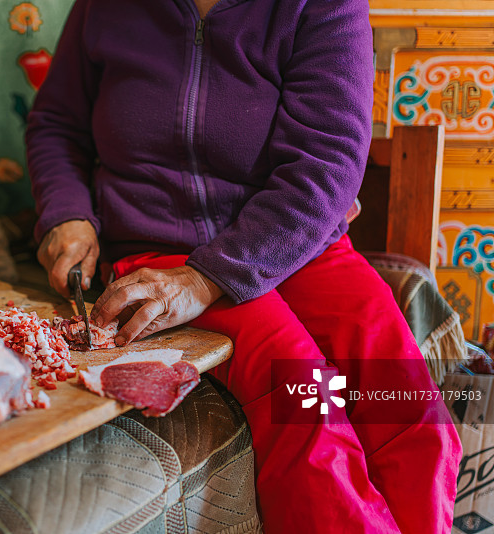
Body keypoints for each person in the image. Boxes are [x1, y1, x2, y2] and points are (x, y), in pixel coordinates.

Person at [25, 0, 462, 532]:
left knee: (408, 403)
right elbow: (56, 125)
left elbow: (329, 160)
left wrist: (209, 277)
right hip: (160, 252)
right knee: (302, 398)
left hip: (293, 240)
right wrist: (66, 214)